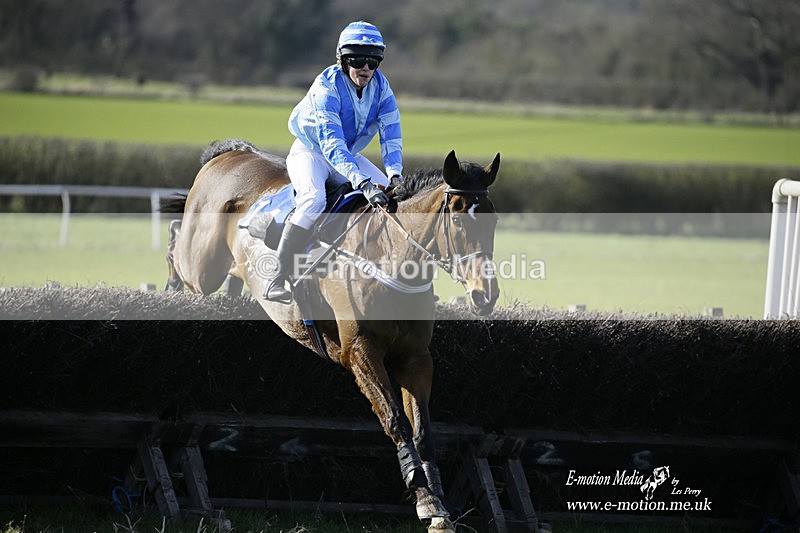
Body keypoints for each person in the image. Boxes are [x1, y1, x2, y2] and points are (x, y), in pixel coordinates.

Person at [265, 20, 404, 303]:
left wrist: (395, 175)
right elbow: (331, 144)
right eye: (357, 60)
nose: (366, 68)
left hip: (348, 155)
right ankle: (275, 278)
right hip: (311, 152)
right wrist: (363, 183)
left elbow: (391, 136)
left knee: (393, 197)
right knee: (314, 199)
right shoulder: (325, 86)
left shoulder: (382, 88)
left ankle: (402, 281)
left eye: (373, 61)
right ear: (342, 59)